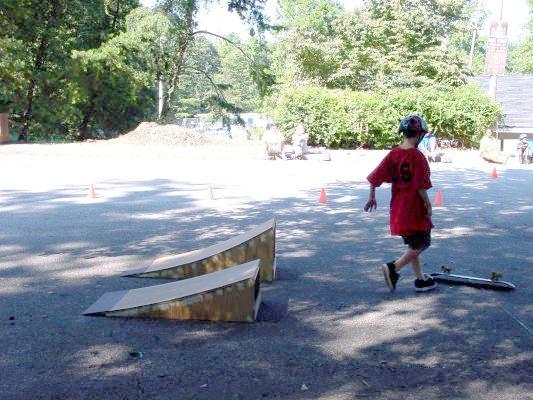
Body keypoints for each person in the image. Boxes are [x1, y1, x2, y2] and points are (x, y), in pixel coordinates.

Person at [364, 114, 437, 292]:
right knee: (422, 244)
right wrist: (428, 204)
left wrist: (372, 196)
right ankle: (393, 268)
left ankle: (420, 280)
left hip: (398, 208)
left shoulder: (393, 154)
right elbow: (420, 186)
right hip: (414, 209)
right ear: (419, 135)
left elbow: (375, 176)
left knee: (414, 245)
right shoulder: (418, 157)